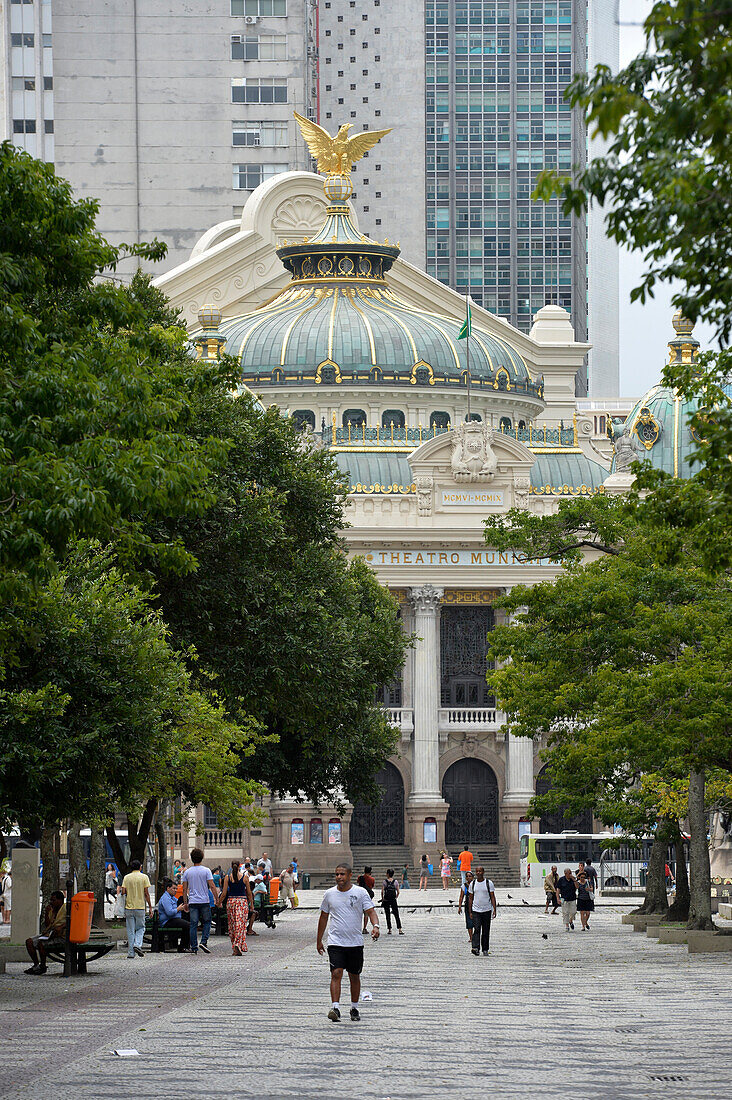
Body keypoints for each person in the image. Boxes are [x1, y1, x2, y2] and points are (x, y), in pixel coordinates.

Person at [317, 864, 379, 1023]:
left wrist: (376, 926)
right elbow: (323, 917)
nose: (339, 877)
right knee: (336, 973)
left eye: (342, 874)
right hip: (335, 942)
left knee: (354, 975)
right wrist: (318, 940)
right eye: (337, 874)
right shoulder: (329, 894)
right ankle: (335, 1007)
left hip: (355, 942)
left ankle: (354, 1007)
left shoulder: (360, 892)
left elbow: (371, 911)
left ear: (350, 875)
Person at [182, 847, 219, 955]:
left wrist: (185, 902)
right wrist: (217, 899)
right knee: (207, 922)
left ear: (191, 858)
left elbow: (184, 888)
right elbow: (212, 886)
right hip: (204, 900)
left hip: (193, 901)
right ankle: (203, 941)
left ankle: (194, 946)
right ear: (202, 858)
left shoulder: (187, 872)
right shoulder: (206, 870)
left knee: (193, 924)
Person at [25, 890, 67, 974]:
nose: (51, 902)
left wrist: (61, 927)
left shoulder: (66, 908)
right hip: (50, 933)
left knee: (41, 944)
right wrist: (47, 913)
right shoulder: (52, 910)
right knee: (29, 942)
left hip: (61, 935)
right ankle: (36, 965)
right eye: (51, 900)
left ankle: (43, 966)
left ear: (60, 900)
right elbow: (48, 925)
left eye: (53, 900)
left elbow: (72, 920)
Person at [220, 859, 254, 956]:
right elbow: (249, 892)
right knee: (241, 924)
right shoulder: (245, 877)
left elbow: (224, 893)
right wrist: (251, 904)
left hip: (231, 902)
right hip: (242, 902)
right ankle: (238, 944)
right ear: (240, 866)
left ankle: (235, 945)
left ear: (231, 866)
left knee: (232, 925)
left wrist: (219, 902)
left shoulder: (227, 877)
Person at [120, 859, 153, 959]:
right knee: (141, 928)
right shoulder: (144, 877)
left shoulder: (126, 877)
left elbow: (123, 891)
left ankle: (131, 953)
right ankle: (137, 945)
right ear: (140, 867)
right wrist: (150, 907)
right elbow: (146, 893)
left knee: (130, 930)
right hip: (140, 907)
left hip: (129, 907)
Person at [468, 865, 496, 957]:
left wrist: (494, 909)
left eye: (480, 871)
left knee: (486, 930)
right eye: (477, 871)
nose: (478, 873)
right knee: (476, 929)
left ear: (483, 872)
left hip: (487, 910)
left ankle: (485, 949)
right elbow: (470, 898)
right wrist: (470, 911)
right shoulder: (473, 884)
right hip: (476, 910)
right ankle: (475, 948)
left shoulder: (489, 883)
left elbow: (492, 896)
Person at [157, 878, 190, 951]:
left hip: (174, 919)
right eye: (174, 888)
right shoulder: (166, 898)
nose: (175, 890)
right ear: (168, 888)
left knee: (189, 923)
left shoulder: (172, 897)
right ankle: (183, 947)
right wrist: (178, 909)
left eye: (176, 889)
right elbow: (170, 912)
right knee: (188, 925)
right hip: (167, 921)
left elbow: (178, 904)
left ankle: (186, 946)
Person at [381, 868, 403, 935]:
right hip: (393, 900)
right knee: (396, 914)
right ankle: (400, 929)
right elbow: (398, 892)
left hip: (386, 900)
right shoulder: (395, 882)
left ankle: (390, 929)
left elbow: (382, 891)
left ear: (387, 874)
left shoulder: (385, 882)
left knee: (387, 914)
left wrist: (382, 898)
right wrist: (395, 897)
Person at [556, 867, 578, 932]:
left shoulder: (573, 880)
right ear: (565, 874)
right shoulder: (561, 880)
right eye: (569, 873)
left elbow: (577, 887)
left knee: (573, 912)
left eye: (571, 873)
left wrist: (574, 880)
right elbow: (558, 889)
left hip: (572, 898)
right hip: (564, 898)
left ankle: (570, 920)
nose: (570, 874)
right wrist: (558, 898)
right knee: (565, 913)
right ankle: (567, 925)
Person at [458, 870, 474, 944]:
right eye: (467, 876)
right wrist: (460, 906)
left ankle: (476, 936)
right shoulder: (464, 886)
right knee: (469, 922)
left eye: (470, 876)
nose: (468, 877)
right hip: (467, 906)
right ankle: (471, 937)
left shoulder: (476, 884)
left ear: (473, 877)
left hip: (476, 905)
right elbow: (461, 897)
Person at [357, 866, 375, 932]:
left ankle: (357, 927)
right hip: (367, 897)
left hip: (359, 896)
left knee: (358, 913)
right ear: (370, 871)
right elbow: (372, 886)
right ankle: (364, 928)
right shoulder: (372, 879)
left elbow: (358, 883)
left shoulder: (360, 877)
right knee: (366, 914)